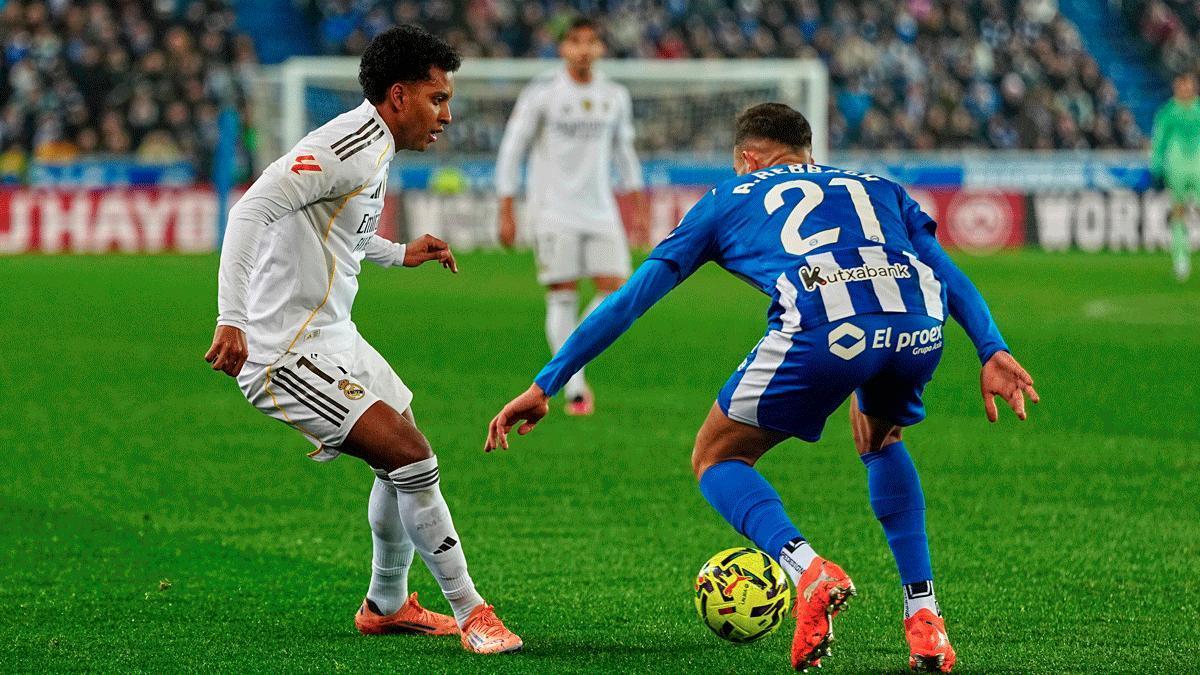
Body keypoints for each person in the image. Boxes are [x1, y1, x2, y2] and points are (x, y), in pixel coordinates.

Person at [484, 103, 1039, 672]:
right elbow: (946, 272)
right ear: (809, 154)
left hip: (824, 323)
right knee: (881, 437)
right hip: (919, 321)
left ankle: (808, 571)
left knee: (717, 455)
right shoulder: (878, 186)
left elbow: (631, 300)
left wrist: (548, 381)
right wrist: (991, 347)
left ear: (747, 159)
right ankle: (925, 618)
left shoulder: (728, 197)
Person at [203, 25, 521, 655]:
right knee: (411, 454)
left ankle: (387, 603)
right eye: (437, 99)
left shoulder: (372, 149)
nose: (447, 115)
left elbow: (340, 229)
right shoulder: (342, 147)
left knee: (397, 442)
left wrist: (401, 253)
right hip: (281, 349)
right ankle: (472, 612)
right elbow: (250, 211)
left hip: (332, 335)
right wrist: (232, 318)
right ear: (399, 96)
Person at [494, 16, 648, 416]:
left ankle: (573, 367)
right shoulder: (543, 93)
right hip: (552, 211)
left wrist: (637, 207)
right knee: (562, 294)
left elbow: (624, 153)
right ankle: (575, 388)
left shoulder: (614, 95)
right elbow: (513, 149)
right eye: (575, 41)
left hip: (601, 210)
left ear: (601, 49)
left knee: (617, 292)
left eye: (591, 41)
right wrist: (506, 207)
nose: (583, 49)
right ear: (562, 47)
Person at [1150, 70, 1200, 281]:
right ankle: (1181, 260)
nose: (1185, 89)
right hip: (1177, 167)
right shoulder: (1168, 112)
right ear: (1176, 87)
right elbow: (1159, 141)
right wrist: (1157, 168)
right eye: (1182, 85)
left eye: (1189, 84)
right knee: (1178, 212)